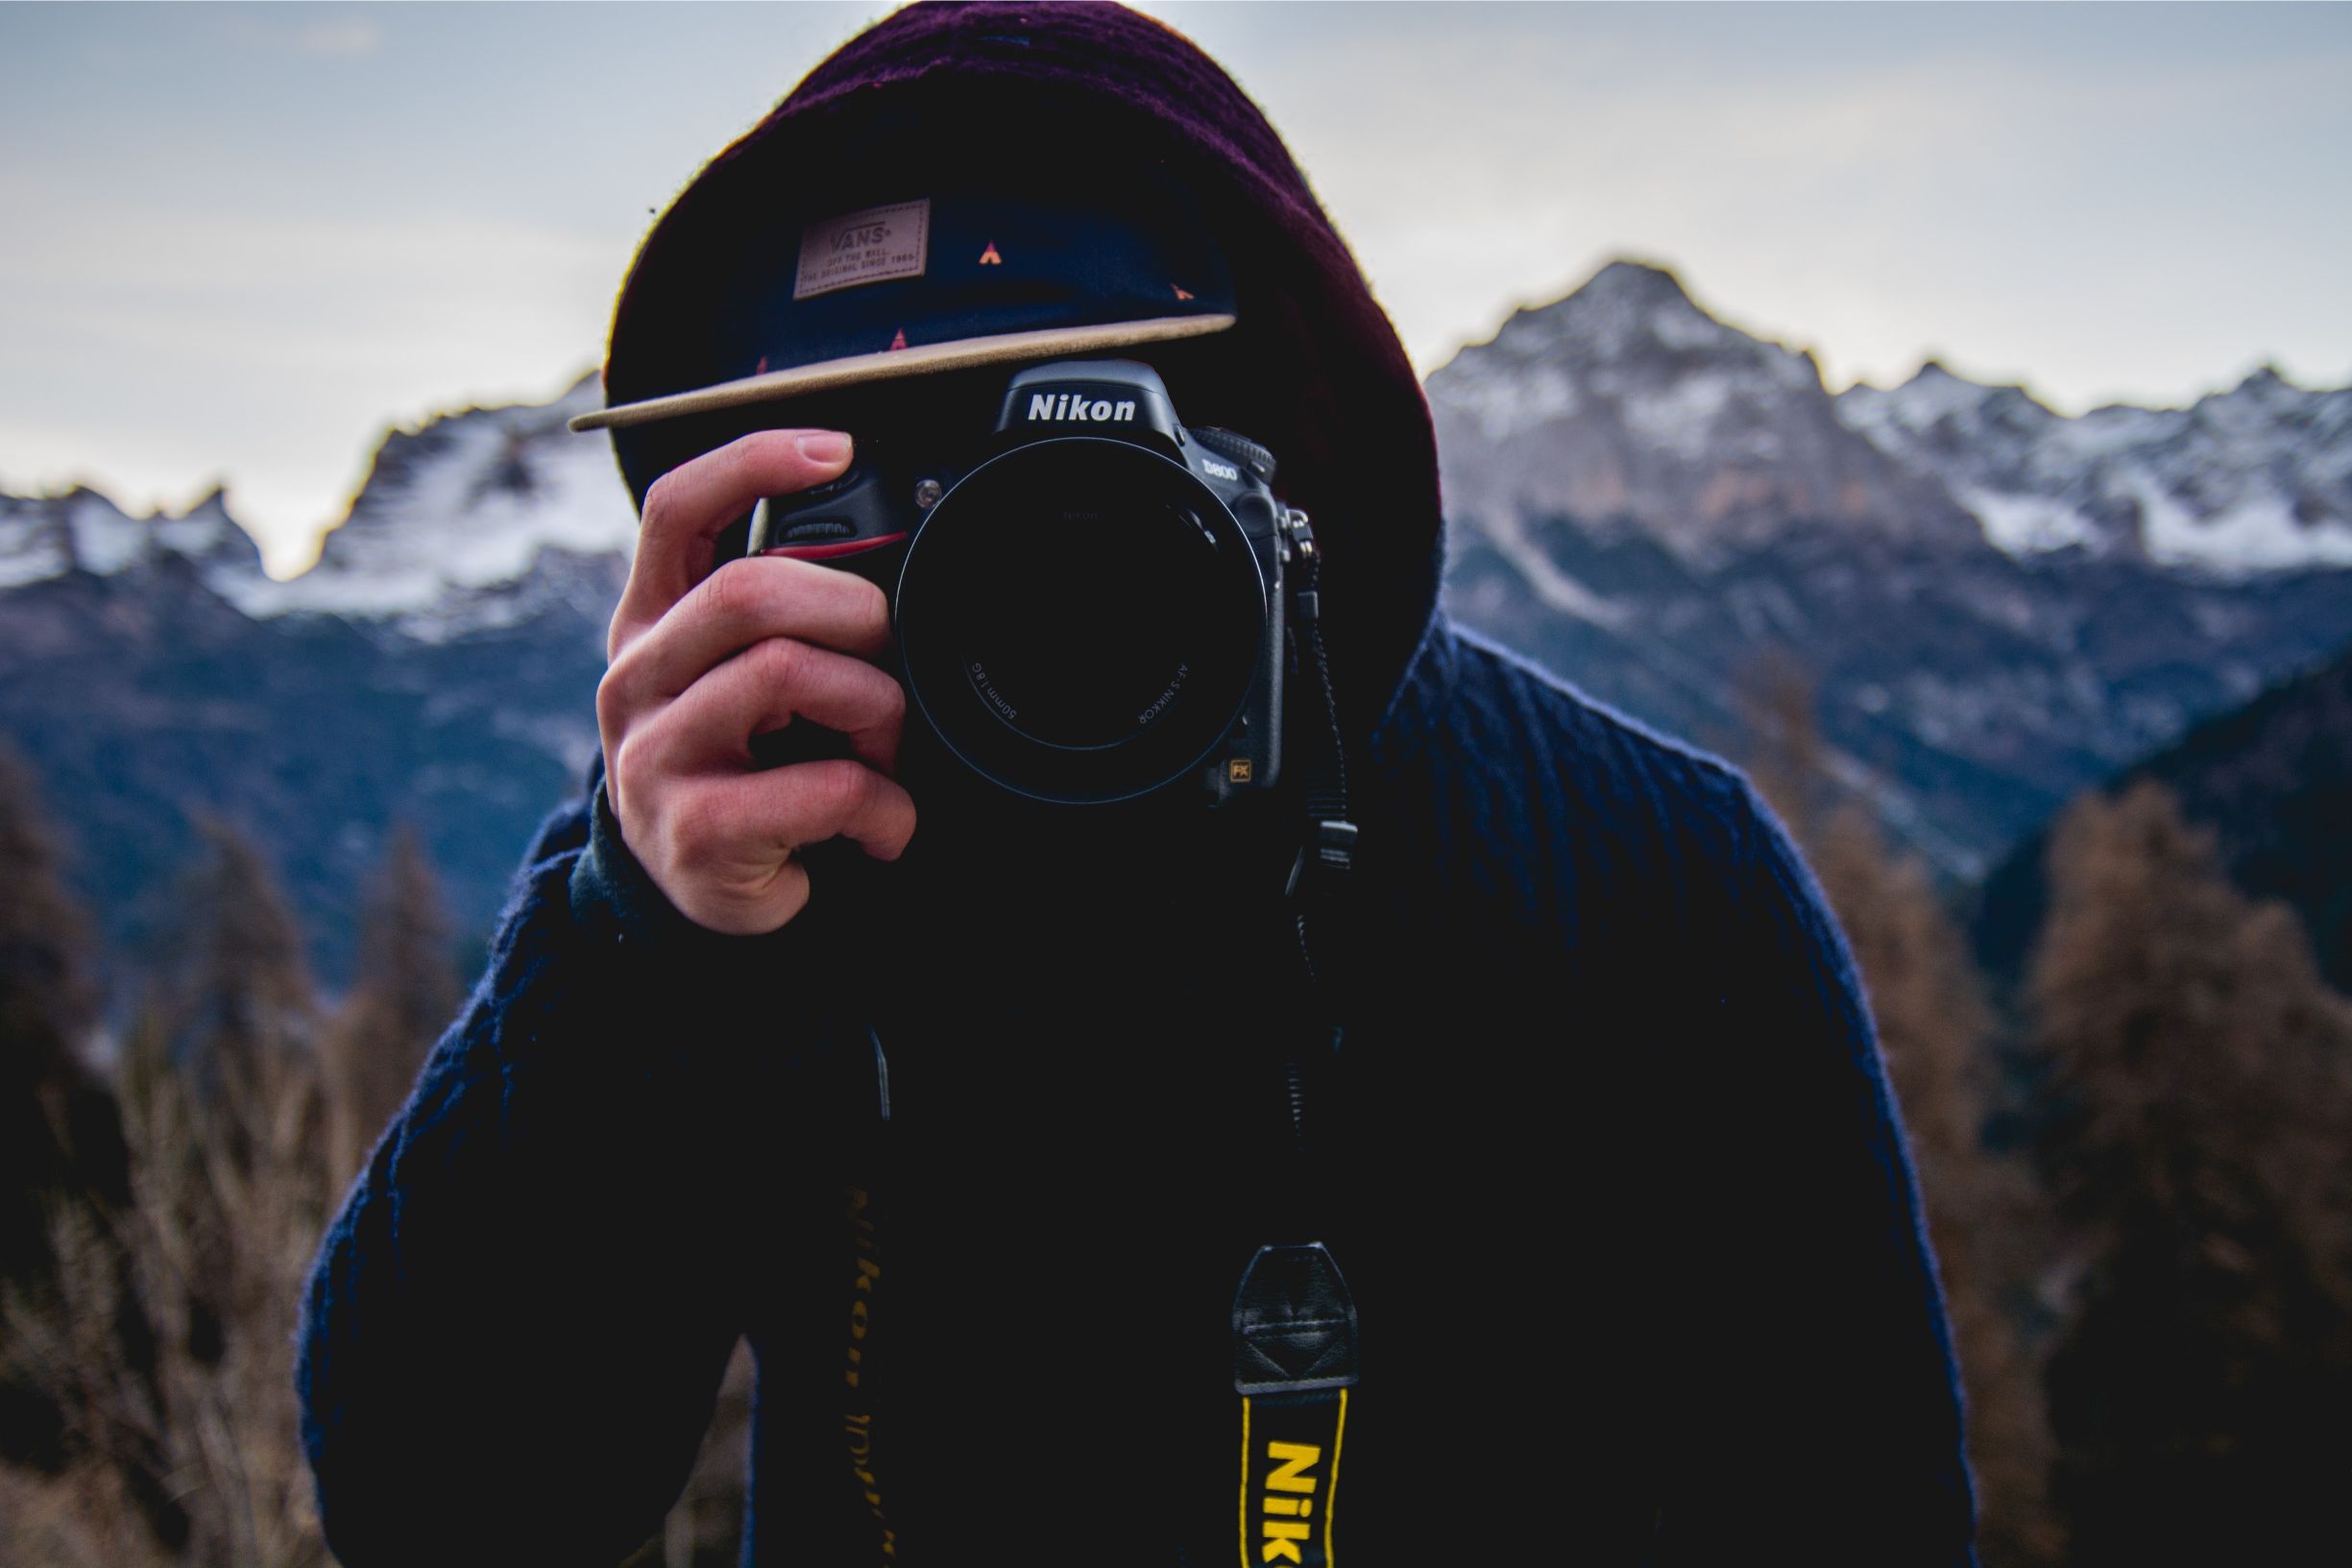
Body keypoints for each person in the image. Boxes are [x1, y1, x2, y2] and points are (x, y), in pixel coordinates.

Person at [296, 4, 1976, 1562]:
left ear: (1297, 473)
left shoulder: (1650, 876)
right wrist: (635, 950)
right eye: (906, 505)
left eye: (1092, 493)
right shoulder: (739, 868)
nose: (1018, 581)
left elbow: (1860, 1507)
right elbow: (437, 1510)